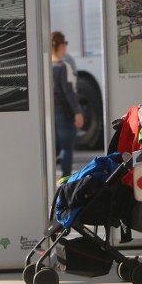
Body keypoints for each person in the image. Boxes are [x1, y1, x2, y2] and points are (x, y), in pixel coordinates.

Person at [51, 31, 83, 178]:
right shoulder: (63, 67)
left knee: (55, 148)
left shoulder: (47, 67)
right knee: (66, 148)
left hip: (53, 112)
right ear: (61, 45)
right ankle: (65, 179)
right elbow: (69, 92)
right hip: (65, 113)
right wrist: (77, 112)